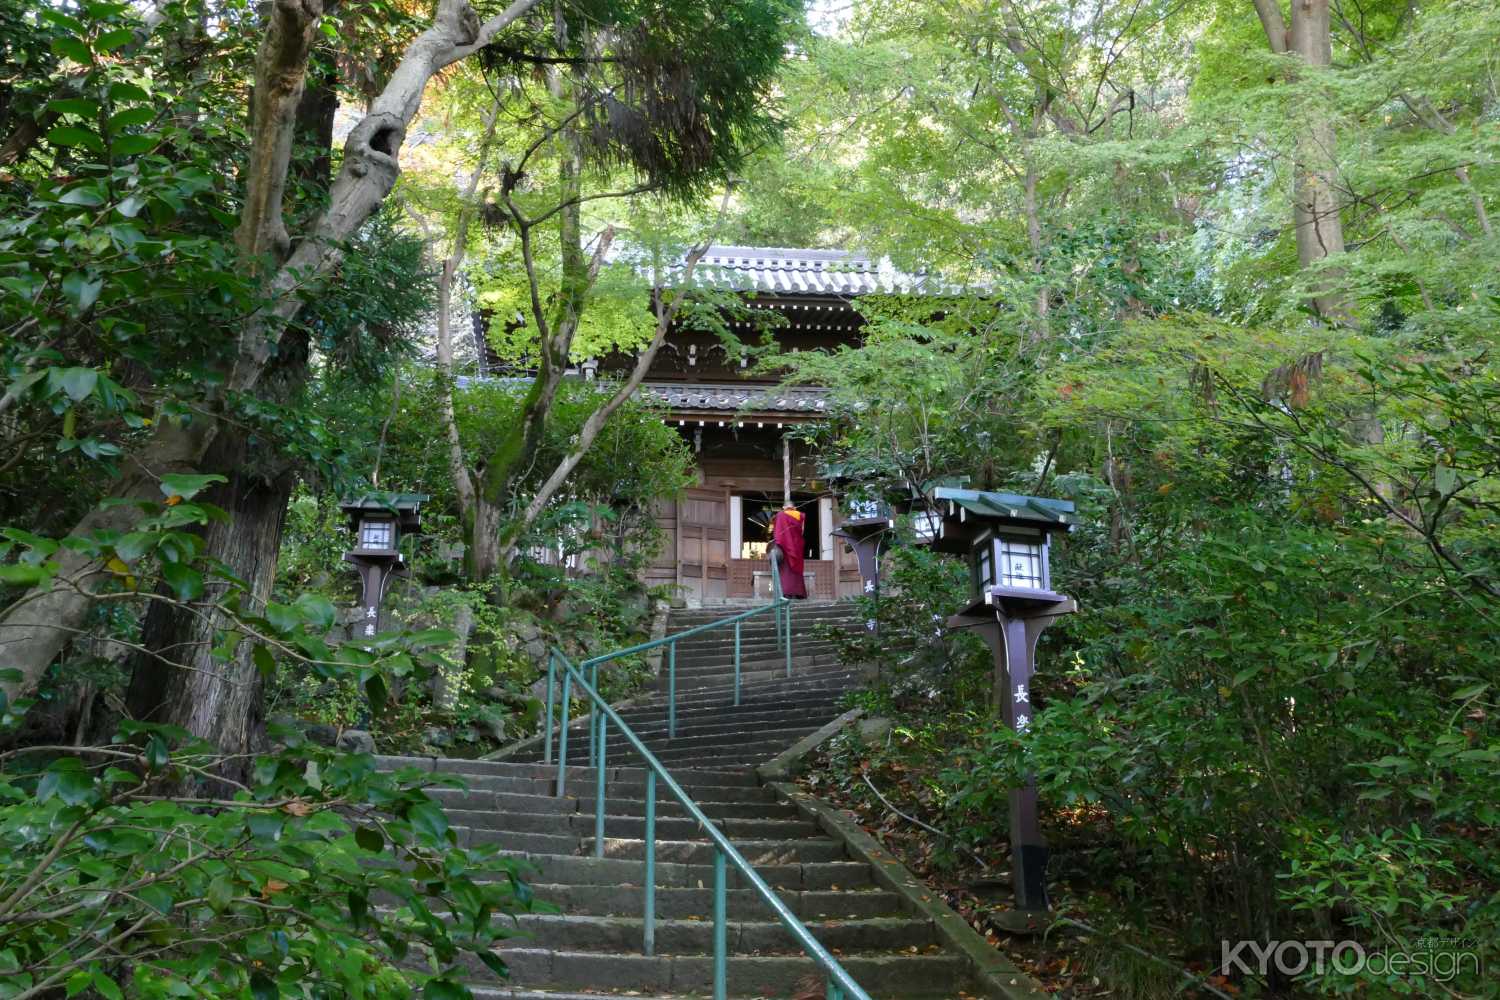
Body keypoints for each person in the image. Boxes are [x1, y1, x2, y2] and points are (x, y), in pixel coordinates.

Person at [769, 503, 808, 599]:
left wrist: (779, 543)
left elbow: (777, 533)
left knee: (785, 571)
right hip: (797, 546)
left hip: (784, 546)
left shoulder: (780, 515)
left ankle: (786, 593)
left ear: (784, 507)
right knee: (797, 571)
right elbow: (802, 531)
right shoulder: (800, 515)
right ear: (794, 507)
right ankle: (799, 593)